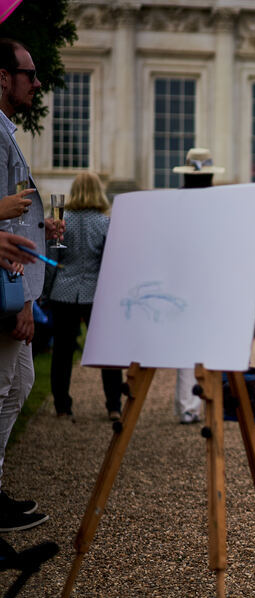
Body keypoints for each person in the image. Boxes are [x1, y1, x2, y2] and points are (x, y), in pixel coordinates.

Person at [0, 38, 65, 532]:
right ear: (3, 77)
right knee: (4, 386)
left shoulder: (7, 133)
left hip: (14, 284)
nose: (37, 82)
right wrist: (20, 298)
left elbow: (18, 223)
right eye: (30, 73)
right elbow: (5, 230)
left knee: (18, 385)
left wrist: (46, 229)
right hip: (6, 288)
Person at [46, 172, 124, 420]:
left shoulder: (60, 219)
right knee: (106, 351)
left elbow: (51, 262)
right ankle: (113, 405)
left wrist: (45, 291)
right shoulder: (105, 223)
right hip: (96, 293)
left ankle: (62, 406)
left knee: (62, 351)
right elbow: (110, 264)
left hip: (63, 291)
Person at [170, 147, 225, 423]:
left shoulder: (177, 202)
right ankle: (195, 404)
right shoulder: (215, 204)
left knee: (190, 346)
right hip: (199, 280)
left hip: (188, 279)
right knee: (200, 345)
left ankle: (191, 405)